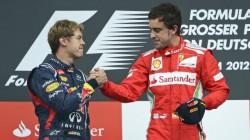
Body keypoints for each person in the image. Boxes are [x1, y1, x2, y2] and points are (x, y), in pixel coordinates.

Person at [95, 2, 230, 140]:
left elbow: (221, 90)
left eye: (157, 30)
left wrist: (202, 104)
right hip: (158, 134)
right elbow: (129, 92)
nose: (152, 35)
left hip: (190, 134)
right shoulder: (146, 60)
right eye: (150, 30)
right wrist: (105, 85)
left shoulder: (201, 55)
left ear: (173, 29)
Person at [27, 19, 107, 140]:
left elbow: (83, 117)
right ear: (63, 41)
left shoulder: (81, 75)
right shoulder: (44, 72)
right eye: (78, 38)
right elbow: (62, 104)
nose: (83, 42)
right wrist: (92, 84)